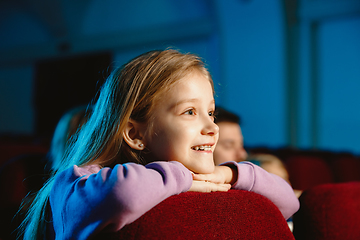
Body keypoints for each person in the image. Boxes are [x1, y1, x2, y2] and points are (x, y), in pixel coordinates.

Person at [19, 49, 299, 240]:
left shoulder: (211, 179)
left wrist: (229, 174)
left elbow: (287, 202)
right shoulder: (76, 183)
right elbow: (124, 194)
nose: (212, 126)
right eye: (189, 112)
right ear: (134, 134)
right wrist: (181, 176)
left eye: (210, 112)